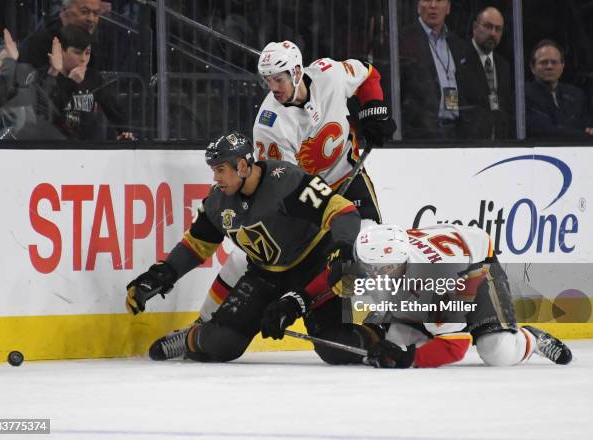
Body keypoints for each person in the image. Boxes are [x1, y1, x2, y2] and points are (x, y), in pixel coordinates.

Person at [149, 40, 396, 360]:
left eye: (278, 79)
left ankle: (380, 326)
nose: (272, 87)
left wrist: (373, 109)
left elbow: (368, 74)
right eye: (267, 80)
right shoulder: (270, 124)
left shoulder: (330, 75)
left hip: (350, 181)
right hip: (304, 200)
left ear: (297, 72)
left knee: (366, 249)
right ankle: (202, 324)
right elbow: (281, 188)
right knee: (249, 256)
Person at [126, 132, 382, 365]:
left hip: (313, 267)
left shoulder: (287, 181)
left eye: (220, 170)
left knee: (337, 349)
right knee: (221, 343)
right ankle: (189, 338)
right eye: (213, 170)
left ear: (242, 166)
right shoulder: (218, 202)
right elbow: (196, 244)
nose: (215, 178)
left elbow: (345, 212)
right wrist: (159, 275)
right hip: (266, 275)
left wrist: (342, 250)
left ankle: (378, 332)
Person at [350, 223, 572, 368]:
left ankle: (530, 339)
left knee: (496, 352)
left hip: (477, 269)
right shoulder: (389, 257)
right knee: (397, 339)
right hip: (453, 253)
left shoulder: (434, 282)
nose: (366, 273)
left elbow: (454, 347)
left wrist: (410, 358)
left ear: (391, 267)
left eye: (373, 268)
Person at [38, 25, 133, 140]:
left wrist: (125, 131)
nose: (83, 58)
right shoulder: (48, 77)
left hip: (88, 147)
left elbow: (113, 108)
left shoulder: (93, 78)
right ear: (62, 51)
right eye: (77, 52)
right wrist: (70, 82)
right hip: (56, 146)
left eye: (87, 52)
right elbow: (46, 113)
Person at [399, 0, 469, 139]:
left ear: (448, 8)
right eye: (427, 0)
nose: (433, 5)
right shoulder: (403, 40)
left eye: (439, 1)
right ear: (418, 6)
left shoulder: (458, 44)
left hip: (457, 133)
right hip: (420, 136)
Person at [461, 7, 512, 139]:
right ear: (474, 27)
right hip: (468, 142)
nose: (493, 33)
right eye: (488, 26)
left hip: (499, 144)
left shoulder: (504, 66)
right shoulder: (459, 57)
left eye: (498, 29)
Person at [525, 39, 593, 138]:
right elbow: (542, 131)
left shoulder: (577, 95)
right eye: (544, 62)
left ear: (562, 66)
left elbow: (587, 125)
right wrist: (583, 134)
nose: (549, 66)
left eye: (554, 62)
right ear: (532, 67)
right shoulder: (523, 95)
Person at [19, 0, 102, 69]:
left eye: (96, 13)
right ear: (64, 10)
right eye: (84, 12)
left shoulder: (91, 44)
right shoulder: (39, 43)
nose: (91, 19)